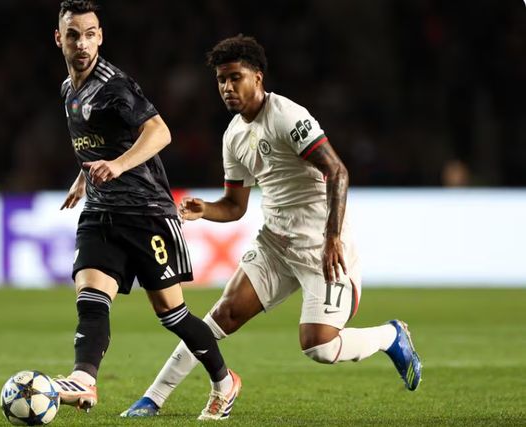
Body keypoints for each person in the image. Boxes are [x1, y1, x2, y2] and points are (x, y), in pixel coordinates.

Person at [121, 34, 422, 418]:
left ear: (258, 77)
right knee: (222, 314)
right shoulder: (233, 135)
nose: (227, 87)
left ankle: (390, 336)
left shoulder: (287, 116)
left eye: (235, 77)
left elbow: (338, 172)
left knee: (319, 345)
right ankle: (153, 398)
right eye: (221, 80)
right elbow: (235, 207)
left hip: (321, 247)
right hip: (275, 245)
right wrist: (205, 209)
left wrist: (333, 237)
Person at [52, 1, 241, 420]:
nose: (82, 44)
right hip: (101, 211)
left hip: (146, 212)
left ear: (100, 37)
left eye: (89, 35)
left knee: (173, 315)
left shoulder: (114, 86)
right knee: (91, 297)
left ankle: (225, 381)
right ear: (59, 39)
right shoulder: (68, 90)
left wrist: (118, 166)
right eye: (73, 35)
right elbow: (98, 140)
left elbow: (160, 132)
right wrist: (84, 177)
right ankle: (84, 379)